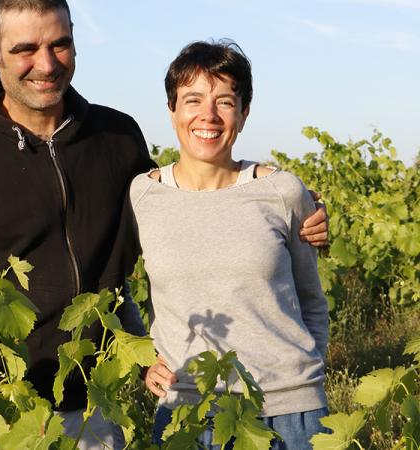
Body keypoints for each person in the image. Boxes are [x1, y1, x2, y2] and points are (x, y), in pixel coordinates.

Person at [0, 1, 329, 447]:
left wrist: (301, 213)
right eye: (25, 49)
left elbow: (192, 205)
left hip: (94, 410)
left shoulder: (117, 138)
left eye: (59, 44)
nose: (46, 64)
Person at [132, 40, 329, 449]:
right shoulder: (142, 197)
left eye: (225, 101)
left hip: (289, 414)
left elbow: (312, 300)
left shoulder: (282, 191)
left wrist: (303, 381)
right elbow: (118, 287)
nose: (208, 115)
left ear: (243, 113)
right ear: (172, 111)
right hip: (185, 411)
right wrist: (142, 360)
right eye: (192, 100)